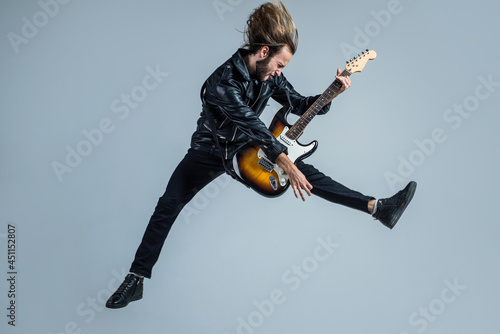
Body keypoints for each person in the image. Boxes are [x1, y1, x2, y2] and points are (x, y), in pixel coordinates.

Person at [105, 1, 417, 309]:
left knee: (305, 170)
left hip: (248, 147)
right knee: (168, 204)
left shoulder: (270, 75)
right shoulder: (221, 83)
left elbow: (298, 102)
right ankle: (135, 279)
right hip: (210, 149)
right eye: (280, 65)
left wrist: (332, 91)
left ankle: (378, 208)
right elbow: (252, 124)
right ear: (264, 52)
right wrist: (284, 160)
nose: (280, 72)